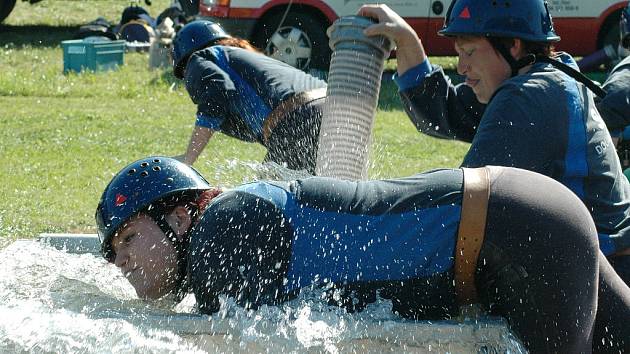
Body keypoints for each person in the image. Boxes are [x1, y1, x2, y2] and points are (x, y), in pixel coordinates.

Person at [96, 156, 630, 353]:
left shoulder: (222, 234)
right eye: (112, 251)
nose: (121, 261)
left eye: (127, 237)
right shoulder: (227, 230)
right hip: (519, 214)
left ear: (181, 214)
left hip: (511, 229)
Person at [358, 0, 630, 284]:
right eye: (458, 54)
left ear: (513, 45)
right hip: (596, 270)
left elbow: (459, 208)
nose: (461, 67)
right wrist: (407, 41)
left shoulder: (530, 98)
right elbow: (449, 111)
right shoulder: (545, 76)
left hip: (604, 279)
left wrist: (366, 224)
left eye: (470, 52)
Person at [172, 20, 327, 174]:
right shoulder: (243, 58)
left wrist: (188, 158)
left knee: (265, 196)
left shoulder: (199, 58)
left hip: (300, 118)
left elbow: (216, 91)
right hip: (335, 108)